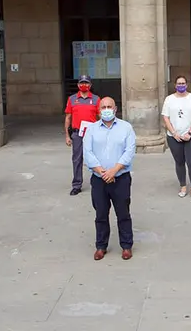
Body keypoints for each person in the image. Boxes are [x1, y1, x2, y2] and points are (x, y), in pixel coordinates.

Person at [83, 97, 136, 261]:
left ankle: (126, 246)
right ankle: (101, 246)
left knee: (123, 213)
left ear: (115, 109)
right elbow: (87, 152)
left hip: (120, 178)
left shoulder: (126, 128)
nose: (106, 109)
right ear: (99, 110)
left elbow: (129, 151)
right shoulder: (91, 129)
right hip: (99, 179)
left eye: (109, 106)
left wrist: (114, 170)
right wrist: (101, 172)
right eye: (103, 107)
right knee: (100, 214)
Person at [162, 75, 191, 200]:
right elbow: (165, 118)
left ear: (187, 84)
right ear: (175, 85)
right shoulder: (169, 99)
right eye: (179, 83)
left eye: (183, 83)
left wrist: (189, 133)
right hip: (174, 137)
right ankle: (183, 186)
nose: (181, 85)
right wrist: (174, 133)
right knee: (179, 162)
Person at [64, 75, 100, 196]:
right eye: (81, 82)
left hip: (92, 133)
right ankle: (77, 185)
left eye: (86, 83)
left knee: (97, 157)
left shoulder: (96, 99)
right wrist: (67, 136)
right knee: (77, 159)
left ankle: (99, 181)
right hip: (77, 133)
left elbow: (100, 116)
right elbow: (68, 117)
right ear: (78, 85)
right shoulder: (72, 99)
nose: (84, 85)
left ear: (90, 85)